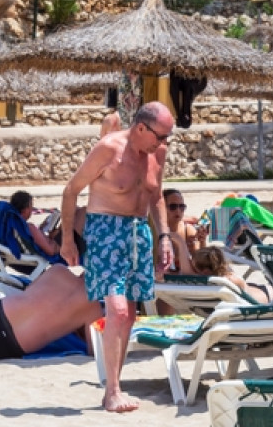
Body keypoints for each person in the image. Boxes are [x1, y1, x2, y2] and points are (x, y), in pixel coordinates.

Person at [59, 103, 175, 413]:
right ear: (141, 128)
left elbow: (156, 196)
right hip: (105, 229)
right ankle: (112, 392)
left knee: (130, 313)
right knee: (118, 309)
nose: (163, 144)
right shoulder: (108, 149)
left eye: (168, 138)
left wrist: (164, 235)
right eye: (160, 137)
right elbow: (71, 190)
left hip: (138, 232)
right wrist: (68, 239)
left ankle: (115, 385)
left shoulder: (156, 154)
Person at [188, 247, 269, 303]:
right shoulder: (226, 278)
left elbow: (187, 272)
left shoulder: (229, 281)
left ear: (205, 271)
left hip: (264, 296)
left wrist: (181, 244)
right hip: (258, 293)